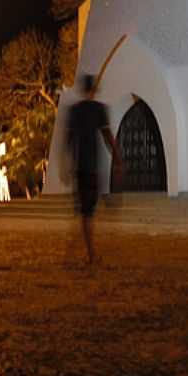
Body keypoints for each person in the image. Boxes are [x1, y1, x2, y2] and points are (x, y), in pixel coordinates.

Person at [66, 73, 123, 264]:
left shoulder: (74, 111)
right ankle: (90, 253)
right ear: (94, 90)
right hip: (92, 166)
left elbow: (68, 141)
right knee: (88, 210)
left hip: (80, 166)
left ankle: (82, 249)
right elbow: (108, 136)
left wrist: (66, 164)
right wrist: (117, 159)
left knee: (84, 210)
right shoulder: (99, 109)